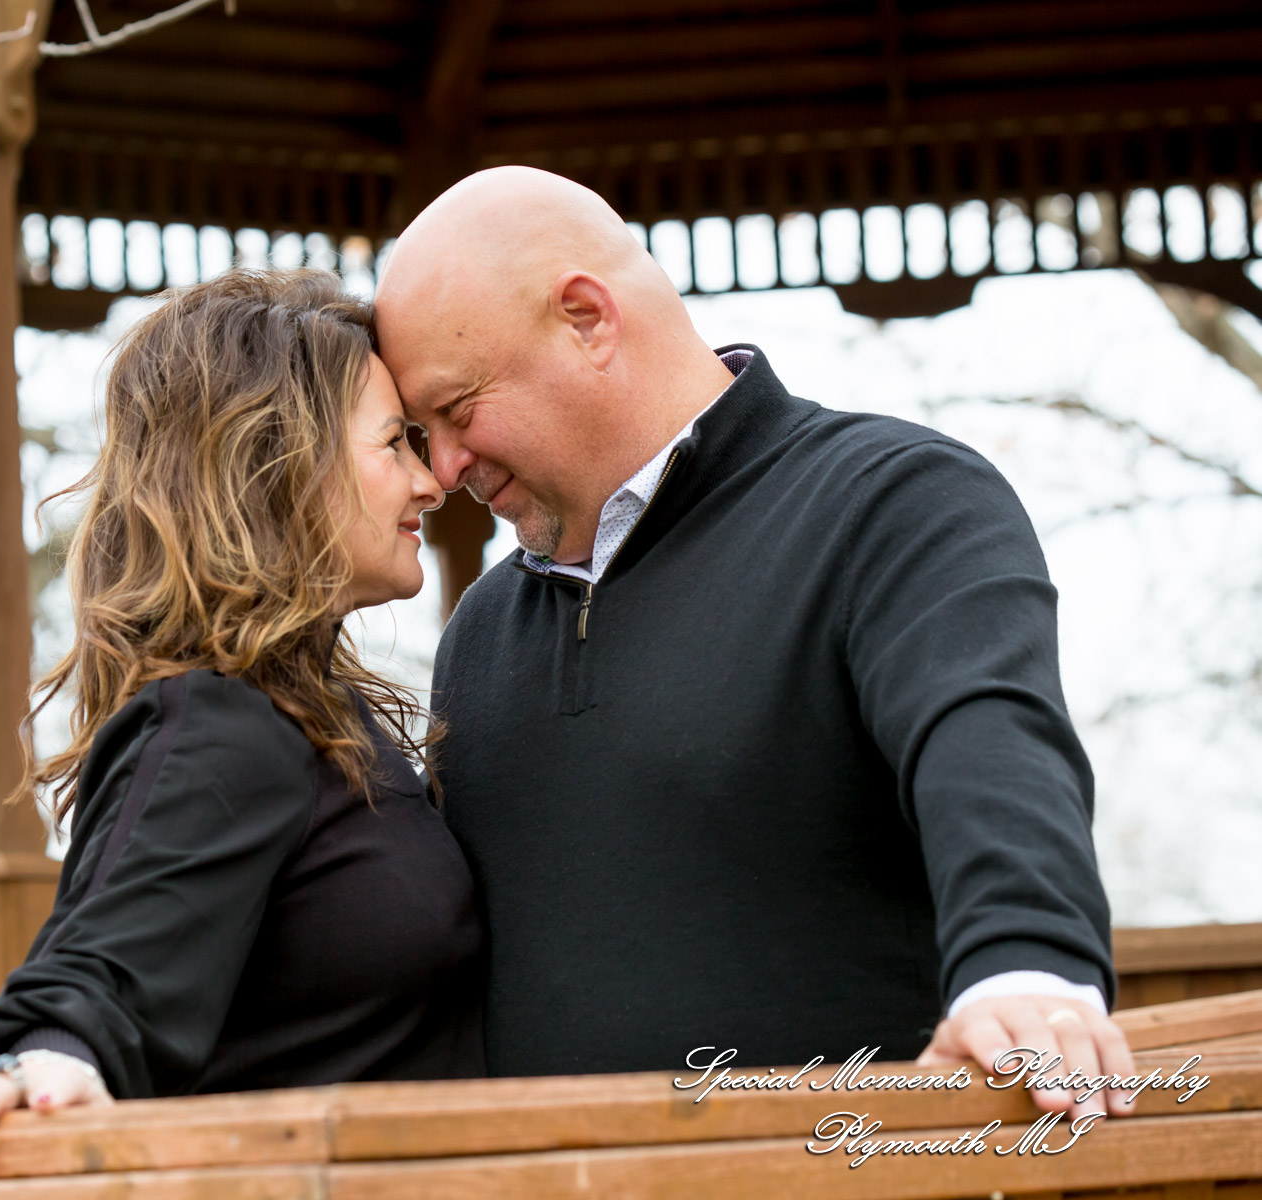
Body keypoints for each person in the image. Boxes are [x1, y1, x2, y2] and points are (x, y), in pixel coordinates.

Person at [374, 166, 1137, 1119]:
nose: (442, 470)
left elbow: (986, 739)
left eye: (457, 411)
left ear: (587, 319)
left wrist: (1025, 971)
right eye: (417, 433)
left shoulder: (891, 502)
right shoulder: (479, 632)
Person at [0, 269, 484, 1184]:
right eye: (394, 443)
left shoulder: (323, 719)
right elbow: (110, 957)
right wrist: (47, 1054)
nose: (430, 480)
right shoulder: (220, 723)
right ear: (279, 462)